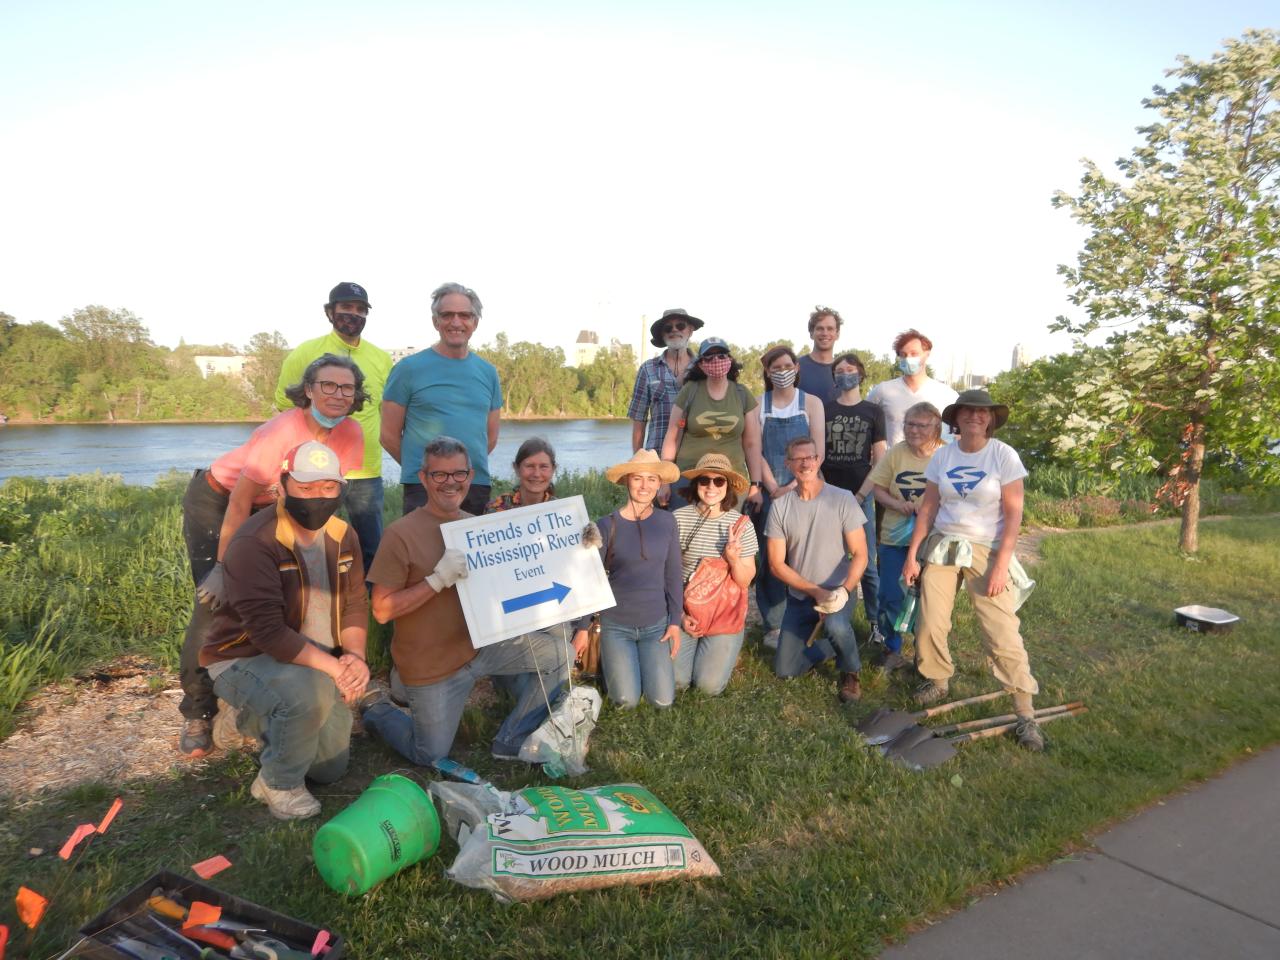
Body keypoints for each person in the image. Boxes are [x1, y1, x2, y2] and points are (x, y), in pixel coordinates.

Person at [178, 355, 367, 756]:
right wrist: (223, 568)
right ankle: (197, 709)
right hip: (220, 499)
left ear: (356, 396)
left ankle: (291, 686)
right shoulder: (282, 431)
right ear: (309, 390)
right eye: (328, 386)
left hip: (283, 503)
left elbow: (329, 494)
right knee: (216, 603)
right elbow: (239, 502)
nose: (338, 394)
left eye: (347, 388)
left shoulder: (351, 434)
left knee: (299, 591)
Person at [360, 437, 567, 763]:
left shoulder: (476, 528)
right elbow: (382, 611)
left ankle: (511, 737)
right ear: (424, 478)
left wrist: (581, 547)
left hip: (479, 650)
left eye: (458, 474)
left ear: (470, 476)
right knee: (430, 753)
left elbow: (522, 576)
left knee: (560, 653)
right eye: (440, 475)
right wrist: (436, 580)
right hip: (432, 667)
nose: (450, 483)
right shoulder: (400, 534)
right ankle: (377, 708)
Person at [198, 441, 370, 820]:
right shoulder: (254, 541)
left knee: (328, 770)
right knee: (305, 697)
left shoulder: (344, 535)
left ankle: (249, 720)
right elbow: (268, 634)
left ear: (341, 489)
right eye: (306, 488)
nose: (317, 498)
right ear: (283, 484)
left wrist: (355, 657)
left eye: (328, 488)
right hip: (241, 657)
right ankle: (277, 784)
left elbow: (356, 603)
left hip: (313, 659)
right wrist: (335, 668)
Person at [902, 390, 1044, 751]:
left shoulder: (1003, 456)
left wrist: (1000, 567)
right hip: (945, 544)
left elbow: (1014, 516)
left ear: (991, 419)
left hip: (987, 548)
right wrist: (912, 554)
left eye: (983, 413)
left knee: (1001, 631)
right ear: (957, 417)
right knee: (931, 621)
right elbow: (929, 508)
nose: (975, 418)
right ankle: (936, 678)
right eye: (968, 412)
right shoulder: (943, 456)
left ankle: (1024, 711)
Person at [275, 282, 392, 575]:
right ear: (330, 312)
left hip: (365, 470)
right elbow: (284, 402)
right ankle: (315, 600)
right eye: (346, 308)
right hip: (314, 469)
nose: (353, 315)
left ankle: (371, 604)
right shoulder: (305, 353)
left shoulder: (381, 358)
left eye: (360, 310)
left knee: (370, 544)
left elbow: (386, 411)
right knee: (313, 539)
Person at [572, 450, 683, 708]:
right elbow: (592, 581)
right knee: (625, 701)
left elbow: (673, 574)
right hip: (616, 625)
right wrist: (582, 629)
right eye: (637, 479)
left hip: (656, 624)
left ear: (659, 483)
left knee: (662, 700)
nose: (644, 486)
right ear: (626, 481)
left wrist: (674, 622)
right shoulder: (606, 524)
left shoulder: (668, 522)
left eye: (651, 479)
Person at [381, 282, 502, 516]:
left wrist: (459, 474)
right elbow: (388, 436)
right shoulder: (408, 369)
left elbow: (491, 436)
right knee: (422, 552)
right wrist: (427, 473)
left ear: (475, 323)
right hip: (424, 487)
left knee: (470, 553)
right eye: (447, 315)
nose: (456, 322)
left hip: (474, 486)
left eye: (465, 315)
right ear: (436, 321)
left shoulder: (488, 373)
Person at [765, 436, 870, 701]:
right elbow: (776, 564)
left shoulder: (843, 499)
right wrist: (815, 592)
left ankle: (851, 671)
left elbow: (860, 554)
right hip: (802, 596)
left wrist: (843, 592)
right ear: (788, 464)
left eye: (810, 457)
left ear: (818, 459)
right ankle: (831, 647)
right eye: (798, 459)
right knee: (785, 671)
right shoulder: (780, 507)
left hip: (838, 591)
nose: (805, 463)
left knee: (836, 625)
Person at [752, 345, 825, 649]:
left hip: (806, 486)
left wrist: (799, 483)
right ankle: (774, 624)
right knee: (772, 561)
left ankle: (807, 620)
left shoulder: (812, 403)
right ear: (767, 372)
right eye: (775, 367)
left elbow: (817, 450)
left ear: (796, 367)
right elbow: (754, 449)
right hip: (773, 491)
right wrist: (772, 487)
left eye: (787, 365)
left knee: (805, 555)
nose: (782, 371)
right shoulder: (759, 404)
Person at [672, 453, 758, 695]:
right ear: (696, 484)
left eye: (719, 481)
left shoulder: (742, 524)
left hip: (723, 613)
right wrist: (678, 615)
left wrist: (733, 559)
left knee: (707, 687)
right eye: (704, 481)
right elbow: (665, 575)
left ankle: (723, 647)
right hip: (685, 609)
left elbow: (744, 581)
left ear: (728, 486)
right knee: (677, 682)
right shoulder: (678, 519)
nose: (711, 487)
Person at [868, 401, 944, 670]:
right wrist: (897, 504)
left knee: (929, 599)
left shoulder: (946, 455)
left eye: (922, 425)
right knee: (890, 594)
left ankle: (926, 655)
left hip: (932, 539)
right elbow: (877, 489)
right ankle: (891, 648)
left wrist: (929, 509)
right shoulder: (896, 453)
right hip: (893, 537)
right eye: (909, 424)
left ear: (936, 427)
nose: (914, 430)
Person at [823, 351, 887, 644]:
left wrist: (861, 494)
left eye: (849, 369)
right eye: (839, 370)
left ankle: (875, 624)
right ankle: (828, 615)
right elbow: (818, 455)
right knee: (828, 560)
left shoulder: (873, 412)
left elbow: (880, 460)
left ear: (861, 374)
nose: (844, 374)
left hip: (861, 497)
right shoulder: (825, 409)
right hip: (828, 497)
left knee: (868, 566)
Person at [660, 337, 762, 510]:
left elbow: (752, 444)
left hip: (732, 479)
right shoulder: (690, 391)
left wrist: (755, 485)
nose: (716, 361)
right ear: (700, 364)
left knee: (728, 535)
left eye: (721, 356)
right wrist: (664, 480)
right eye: (709, 357)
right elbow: (672, 437)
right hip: (688, 477)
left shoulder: (742, 393)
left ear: (729, 360)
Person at [866, 328, 958, 447]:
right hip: (894, 462)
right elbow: (865, 422)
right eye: (903, 355)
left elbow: (955, 436)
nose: (908, 359)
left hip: (933, 463)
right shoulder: (883, 391)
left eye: (914, 354)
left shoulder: (946, 395)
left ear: (927, 354)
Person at [628, 308, 703, 453]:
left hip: (695, 457)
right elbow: (639, 420)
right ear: (663, 335)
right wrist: (638, 459)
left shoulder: (703, 368)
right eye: (668, 328)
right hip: (657, 456)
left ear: (690, 330)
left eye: (680, 325)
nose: (674, 330)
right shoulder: (647, 369)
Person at [486, 437, 558, 512]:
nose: (536, 474)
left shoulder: (562, 511)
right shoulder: (496, 508)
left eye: (543, 467)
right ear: (516, 469)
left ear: (553, 470)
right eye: (529, 466)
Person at [796, 305, 844, 403]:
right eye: (820, 329)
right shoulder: (795, 367)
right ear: (811, 333)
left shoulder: (844, 372)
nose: (825, 333)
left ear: (837, 334)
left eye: (830, 329)